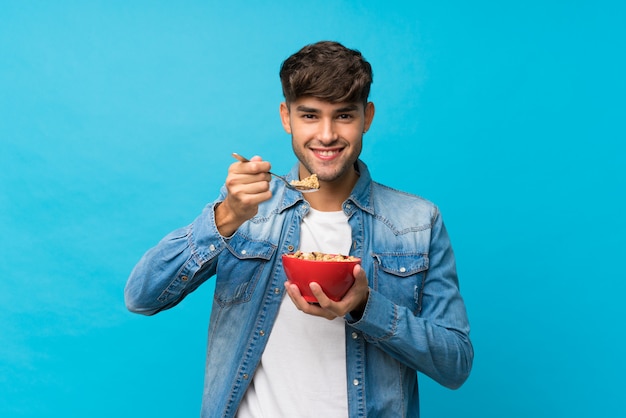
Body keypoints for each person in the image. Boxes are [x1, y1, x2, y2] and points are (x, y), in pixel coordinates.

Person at [125, 40, 473, 417]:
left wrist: (364, 306)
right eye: (309, 116)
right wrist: (225, 216)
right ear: (286, 117)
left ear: (367, 117)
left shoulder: (417, 221)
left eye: (343, 116)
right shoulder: (246, 209)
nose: (326, 135)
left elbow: (455, 364)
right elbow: (142, 297)